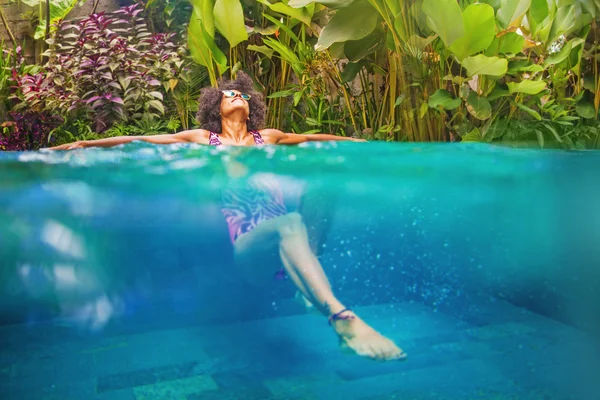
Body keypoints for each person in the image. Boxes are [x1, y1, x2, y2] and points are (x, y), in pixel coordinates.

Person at [51, 72, 406, 361]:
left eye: (244, 95)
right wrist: (85, 145)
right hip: (247, 252)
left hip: (294, 243)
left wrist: (363, 144)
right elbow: (144, 138)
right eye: (230, 94)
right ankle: (342, 319)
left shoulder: (269, 137)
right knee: (289, 223)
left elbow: (315, 137)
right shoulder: (206, 139)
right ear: (216, 107)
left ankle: (306, 289)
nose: (239, 97)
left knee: (322, 191)